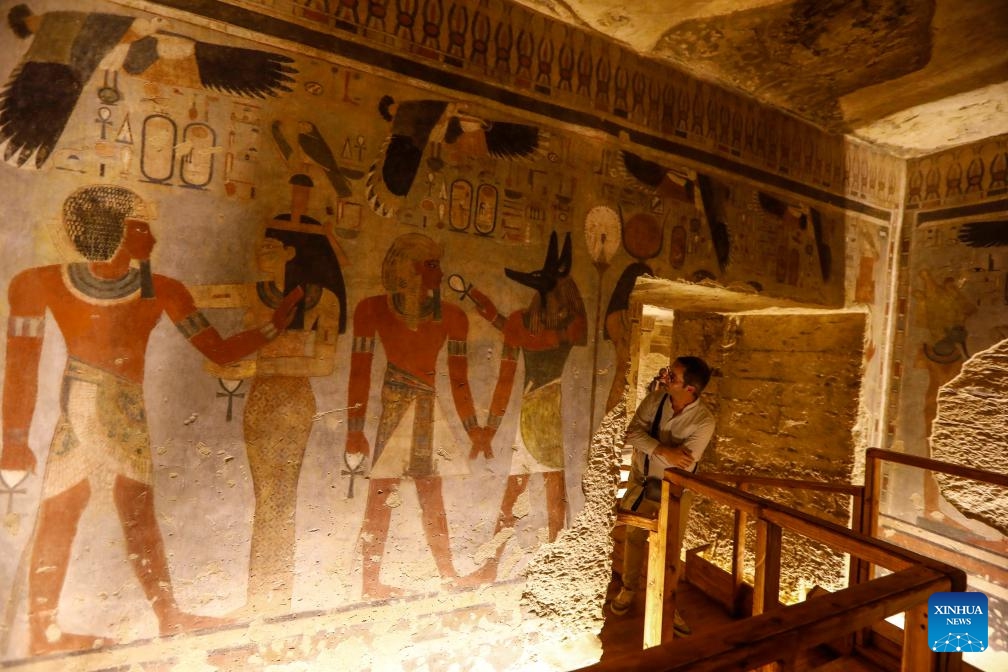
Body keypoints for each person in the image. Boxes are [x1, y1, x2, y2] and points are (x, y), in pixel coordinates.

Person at [0, 185, 301, 655]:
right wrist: (15, 439)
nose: (151, 235)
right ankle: (55, 630)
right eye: (141, 225)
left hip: (126, 408)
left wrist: (272, 327)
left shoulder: (163, 290)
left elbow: (218, 351)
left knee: (123, 510)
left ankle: (159, 618)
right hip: (84, 403)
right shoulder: (39, 283)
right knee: (71, 507)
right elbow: (21, 364)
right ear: (114, 231)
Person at [192, 174, 346, 616]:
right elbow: (196, 297)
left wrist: (256, 360)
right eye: (262, 246)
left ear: (294, 253)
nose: (262, 252)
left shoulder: (321, 302)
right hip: (260, 400)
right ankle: (264, 597)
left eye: (273, 247)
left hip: (294, 399)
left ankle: (273, 596)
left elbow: (323, 364)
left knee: (282, 495)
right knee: (266, 496)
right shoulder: (253, 294)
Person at [345, 232, 489, 598]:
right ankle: (370, 582)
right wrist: (355, 428)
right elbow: (360, 369)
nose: (439, 273)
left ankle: (446, 573)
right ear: (408, 269)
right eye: (431, 265)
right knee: (381, 494)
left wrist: (474, 429)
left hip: (427, 409)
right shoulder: (372, 309)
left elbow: (459, 381)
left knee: (432, 495)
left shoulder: (453, 317)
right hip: (395, 405)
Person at [465, 231, 587, 583]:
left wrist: (493, 317)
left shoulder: (557, 326)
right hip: (540, 409)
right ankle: (503, 563)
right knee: (529, 489)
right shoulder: (554, 325)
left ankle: (549, 562)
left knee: (542, 492)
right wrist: (489, 312)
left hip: (543, 410)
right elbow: (521, 334)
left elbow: (525, 334)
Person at [608, 356, 715, 636]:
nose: (666, 378)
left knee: (669, 546)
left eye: (674, 377)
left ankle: (668, 601)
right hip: (642, 483)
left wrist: (651, 445)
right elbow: (631, 434)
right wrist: (666, 451)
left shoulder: (704, 421)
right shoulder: (655, 401)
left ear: (690, 389)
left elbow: (687, 464)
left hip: (675, 491)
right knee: (633, 536)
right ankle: (628, 589)